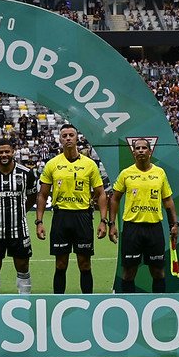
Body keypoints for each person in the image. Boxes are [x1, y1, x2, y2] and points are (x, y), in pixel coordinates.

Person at [35, 124, 108, 294]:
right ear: (60, 139)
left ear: (77, 138)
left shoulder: (90, 165)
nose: (68, 138)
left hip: (82, 217)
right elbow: (42, 195)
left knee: (85, 264)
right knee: (60, 264)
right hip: (61, 217)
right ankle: (57, 303)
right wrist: (39, 221)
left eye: (71, 135)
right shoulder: (52, 164)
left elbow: (101, 194)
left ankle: (89, 303)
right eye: (64, 136)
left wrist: (103, 221)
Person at [108, 138, 179, 293]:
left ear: (150, 151)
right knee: (128, 274)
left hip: (154, 228)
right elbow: (114, 199)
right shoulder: (126, 173)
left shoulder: (159, 173)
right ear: (133, 152)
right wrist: (111, 224)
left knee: (158, 272)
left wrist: (174, 224)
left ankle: (158, 308)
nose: (140, 150)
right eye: (137, 148)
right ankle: (129, 310)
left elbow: (167, 200)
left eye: (144, 147)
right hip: (131, 228)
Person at [0, 138, 38, 294]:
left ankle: (24, 299)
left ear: (13, 152)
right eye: (0, 152)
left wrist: (21, 210)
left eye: (7, 151)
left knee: (23, 266)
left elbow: (32, 197)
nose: (4, 155)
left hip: (20, 228)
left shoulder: (26, 173)